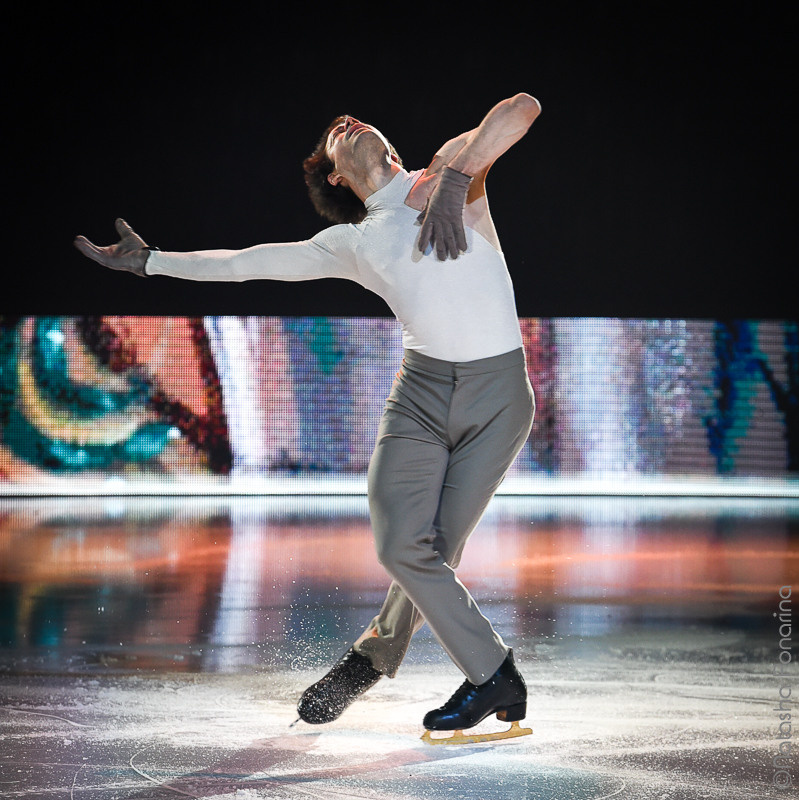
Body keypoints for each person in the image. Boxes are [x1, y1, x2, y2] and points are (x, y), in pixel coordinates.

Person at [74, 92, 542, 743]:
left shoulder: (447, 172)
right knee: (404, 545)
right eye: (332, 135)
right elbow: (245, 265)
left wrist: (459, 177)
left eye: (354, 119)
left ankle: (377, 660)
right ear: (335, 175)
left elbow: (524, 107)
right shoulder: (351, 242)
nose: (346, 123)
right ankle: (489, 673)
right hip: (423, 394)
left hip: (499, 398)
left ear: (392, 145)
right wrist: (153, 262)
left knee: (430, 553)